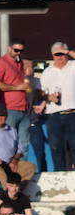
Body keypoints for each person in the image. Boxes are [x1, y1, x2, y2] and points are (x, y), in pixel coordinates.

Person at [0, 39, 33, 157]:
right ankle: (8, 173)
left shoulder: (19, 64)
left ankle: (21, 173)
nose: (18, 53)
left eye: (21, 51)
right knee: (8, 144)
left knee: (24, 145)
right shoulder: (1, 62)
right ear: (9, 48)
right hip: (8, 108)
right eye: (16, 50)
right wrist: (18, 87)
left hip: (23, 109)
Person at [42, 42, 75, 171]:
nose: (59, 57)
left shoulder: (73, 66)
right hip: (53, 115)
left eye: (62, 53)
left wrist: (69, 52)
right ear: (52, 55)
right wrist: (47, 98)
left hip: (72, 113)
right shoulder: (47, 72)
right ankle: (60, 177)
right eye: (57, 54)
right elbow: (42, 93)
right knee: (56, 149)